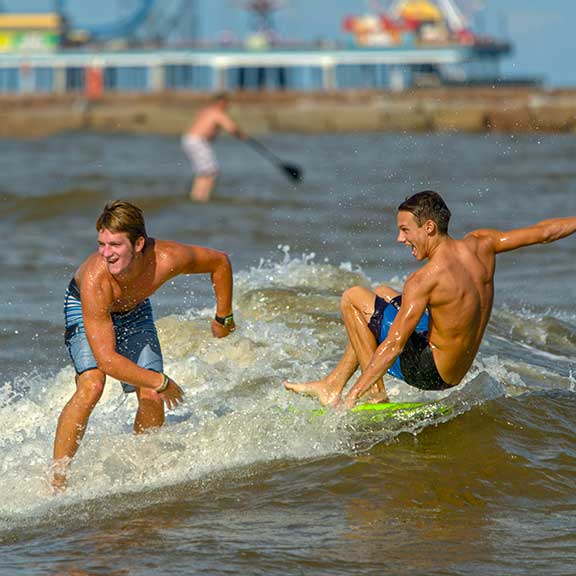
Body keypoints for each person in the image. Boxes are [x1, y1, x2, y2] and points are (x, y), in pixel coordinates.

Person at [285, 190, 576, 409]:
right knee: (383, 293)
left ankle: (373, 396)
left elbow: (394, 344)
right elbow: (545, 233)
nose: (400, 239)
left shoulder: (425, 279)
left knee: (353, 298)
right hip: (457, 367)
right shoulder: (482, 244)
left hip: (431, 373)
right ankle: (331, 384)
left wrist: (354, 396)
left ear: (429, 228)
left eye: (405, 230)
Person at [53, 200, 236, 491]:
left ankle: (142, 470)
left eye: (114, 245)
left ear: (138, 244)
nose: (106, 253)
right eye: (101, 244)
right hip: (86, 306)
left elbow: (220, 262)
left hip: (134, 308)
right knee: (92, 386)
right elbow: (107, 360)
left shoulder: (168, 257)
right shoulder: (94, 280)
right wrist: (162, 380)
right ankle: (57, 480)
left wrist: (223, 316)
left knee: (150, 394)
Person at [182, 92, 245, 202]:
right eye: (227, 103)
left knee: (205, 171)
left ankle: (197, 197)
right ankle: (201, 198)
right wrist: (242, 135)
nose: (228, 106)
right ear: (221, 102)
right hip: (198, 141)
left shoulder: (207, 110)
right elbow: (232, 128)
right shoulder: (217, 113)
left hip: (190, 140)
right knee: (211, 171)